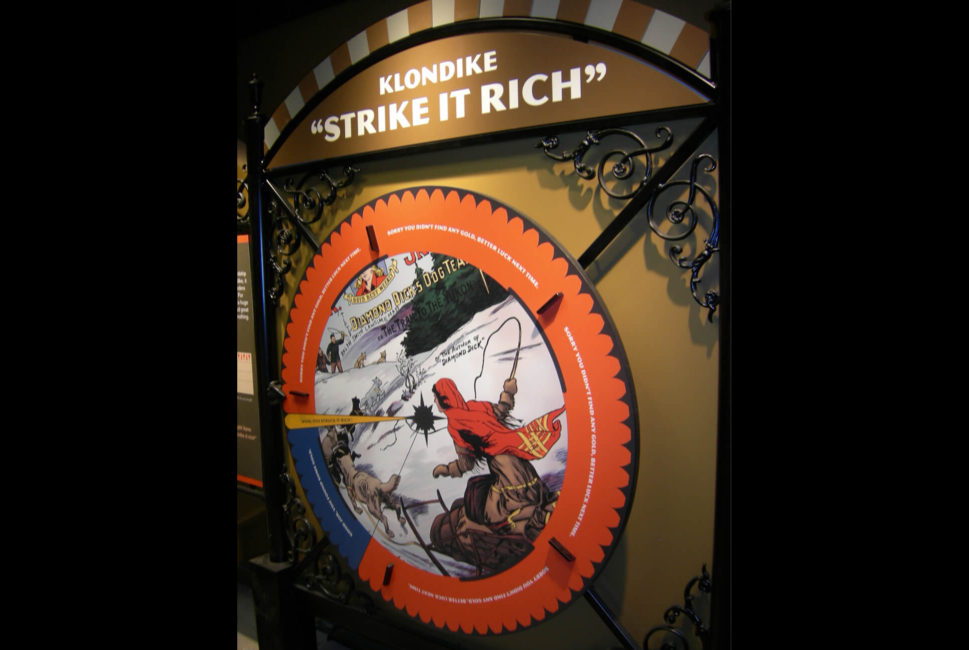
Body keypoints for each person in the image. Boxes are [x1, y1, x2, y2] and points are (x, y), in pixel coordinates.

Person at [428, 377, 565, 576]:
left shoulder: (455, 425)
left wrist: (447, 469)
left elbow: (466, 464)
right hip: (523, 469)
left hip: (509, 481)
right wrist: (508, 392)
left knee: (490, 515)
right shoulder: (476, 407)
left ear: (444, 399)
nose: (434, 402)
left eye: (435, 398)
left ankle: (532, 523)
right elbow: (501, 410)